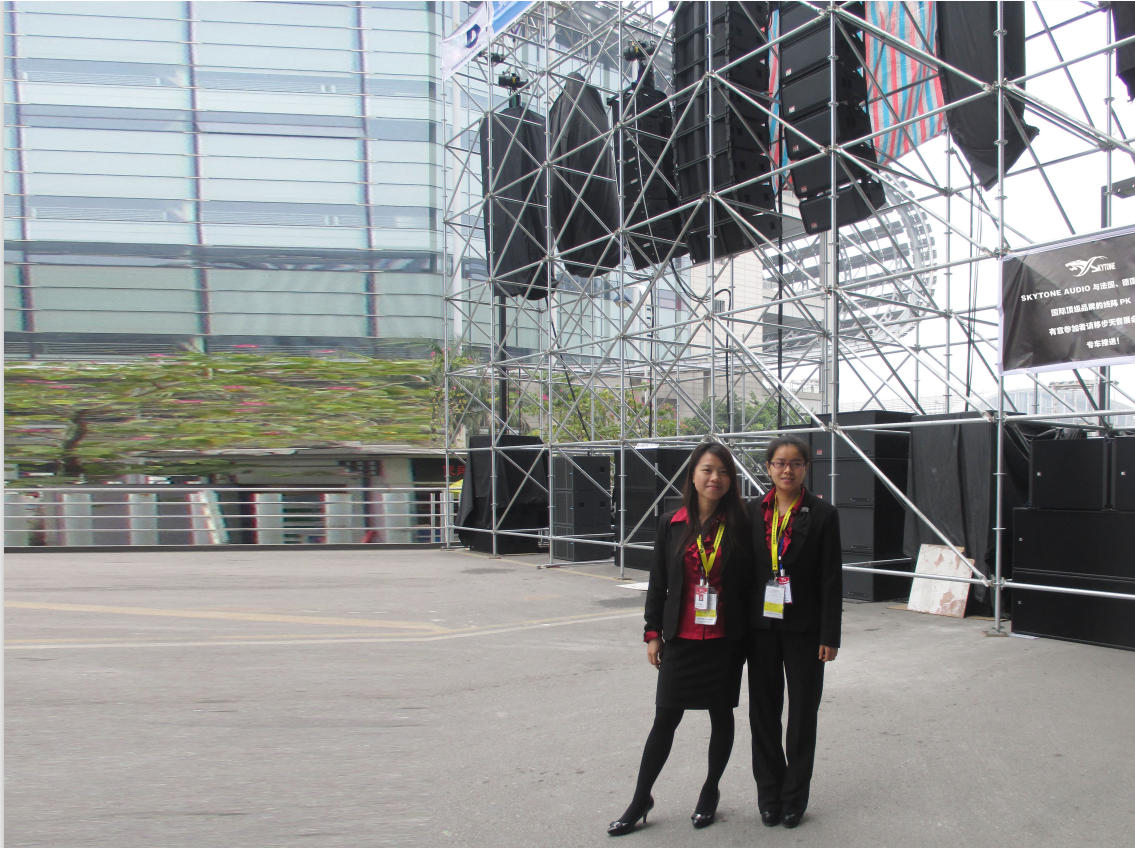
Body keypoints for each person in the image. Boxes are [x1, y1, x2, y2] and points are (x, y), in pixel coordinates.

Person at [607, 442, 754, 836]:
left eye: (723, 471)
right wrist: (652, 633)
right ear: (693, 474)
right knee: (665, 719)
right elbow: (658, 582)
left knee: (721, 715)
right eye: (707, 469)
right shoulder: (670, 523)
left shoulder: (742, 523)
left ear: (731, 479)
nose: (715, 478)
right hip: (682, 638)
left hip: (725, 639)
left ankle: (710, 790)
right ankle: (641, 798)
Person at [746, 434, 842, 830]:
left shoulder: (822, 514)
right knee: (763, 714)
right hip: (760, 630)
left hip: (805, 630)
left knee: (802, 714)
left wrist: (830, 635)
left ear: (806, 468)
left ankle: (794, 799)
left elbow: (830, 578)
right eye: (780, 463)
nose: (787, 470)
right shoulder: (751, 512)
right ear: (768, 467)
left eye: (796, 463)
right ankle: (769, 796)